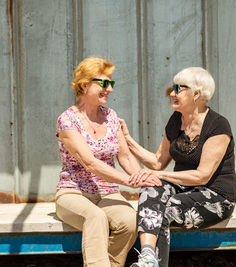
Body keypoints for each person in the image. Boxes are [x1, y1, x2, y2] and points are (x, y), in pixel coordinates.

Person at [121, 67, 236, 267]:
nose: (172, 94)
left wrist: (157, 173)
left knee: (164, 209)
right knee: (150, 186)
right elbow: (158, 161)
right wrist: (127, 139)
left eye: (177, 88)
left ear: (196, 94)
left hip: (215, 196)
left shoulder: (218, 126)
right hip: (184, 189)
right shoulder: (176, 121)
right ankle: (148, 257)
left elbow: (202, 176)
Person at [55, 57, 161, 267]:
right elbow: (90, 163)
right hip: (73, 192)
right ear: (85, 85)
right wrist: (129, 181)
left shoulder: (111, 117)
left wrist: (141, 177)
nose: (110, 89)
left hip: (108, 192)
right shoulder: (67, 120)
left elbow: (125, 156)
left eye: (111, 84)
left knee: (130, 221)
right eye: (104, 83)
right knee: (96, 217)